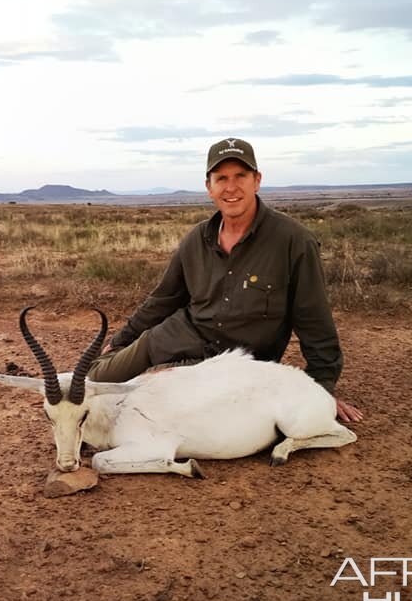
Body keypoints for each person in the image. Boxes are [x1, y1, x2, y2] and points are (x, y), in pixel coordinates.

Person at [87, 137, 364, 423]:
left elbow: (314, 320)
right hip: (169, 340)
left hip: (236, 366)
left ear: (257, 181)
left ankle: (162, 373)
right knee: (92, 382)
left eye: (240, 176)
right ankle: (151, 370)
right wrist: (120, 341)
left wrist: (321, 389)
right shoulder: (196, 240)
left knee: (158, 407)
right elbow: (162, 301)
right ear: (209, 187)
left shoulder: (294, 241)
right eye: (221, 178)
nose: (231, 187)